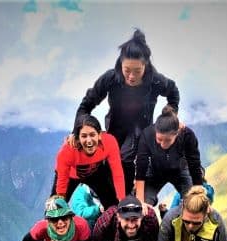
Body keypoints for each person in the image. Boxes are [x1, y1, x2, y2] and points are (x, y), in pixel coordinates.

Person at [73, 28, 180, 195]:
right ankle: (110, 195)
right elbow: (86, 105)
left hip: (140, 128)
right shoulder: (110, 79)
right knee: (107, 159)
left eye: (137, 71)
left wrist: (172, 114)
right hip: (115, 126)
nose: (131, 76)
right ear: (120, 64)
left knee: (124, 158)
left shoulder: (155, 81)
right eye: (127, 70)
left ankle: (127, 196)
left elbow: (173, 92)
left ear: (145, 66)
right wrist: (76, 131)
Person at [135, 105, 203, 208]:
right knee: (141, 205)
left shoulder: (187, 135)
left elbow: (194, 165)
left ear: (177, 133)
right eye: (159, 139)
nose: (162, 144)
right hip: (155, 172)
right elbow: (141, 167)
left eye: (167, 140)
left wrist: (199, 196)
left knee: (192, 204)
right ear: (155, 131)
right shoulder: (147, 134)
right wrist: (140, 201)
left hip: (181, 171)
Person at [52, 115, 125, 209]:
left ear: (99, 135)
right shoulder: (68, 150)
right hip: (70, 175)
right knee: (55, 207)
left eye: (92, 135)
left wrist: (122, 199)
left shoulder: (109, 142)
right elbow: (62, 178)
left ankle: (113, 222)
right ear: (78, 138)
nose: (89, 141)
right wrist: (60, 200)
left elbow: (117, 172)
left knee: (113, 205)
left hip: (95, 173)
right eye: (84, 136)